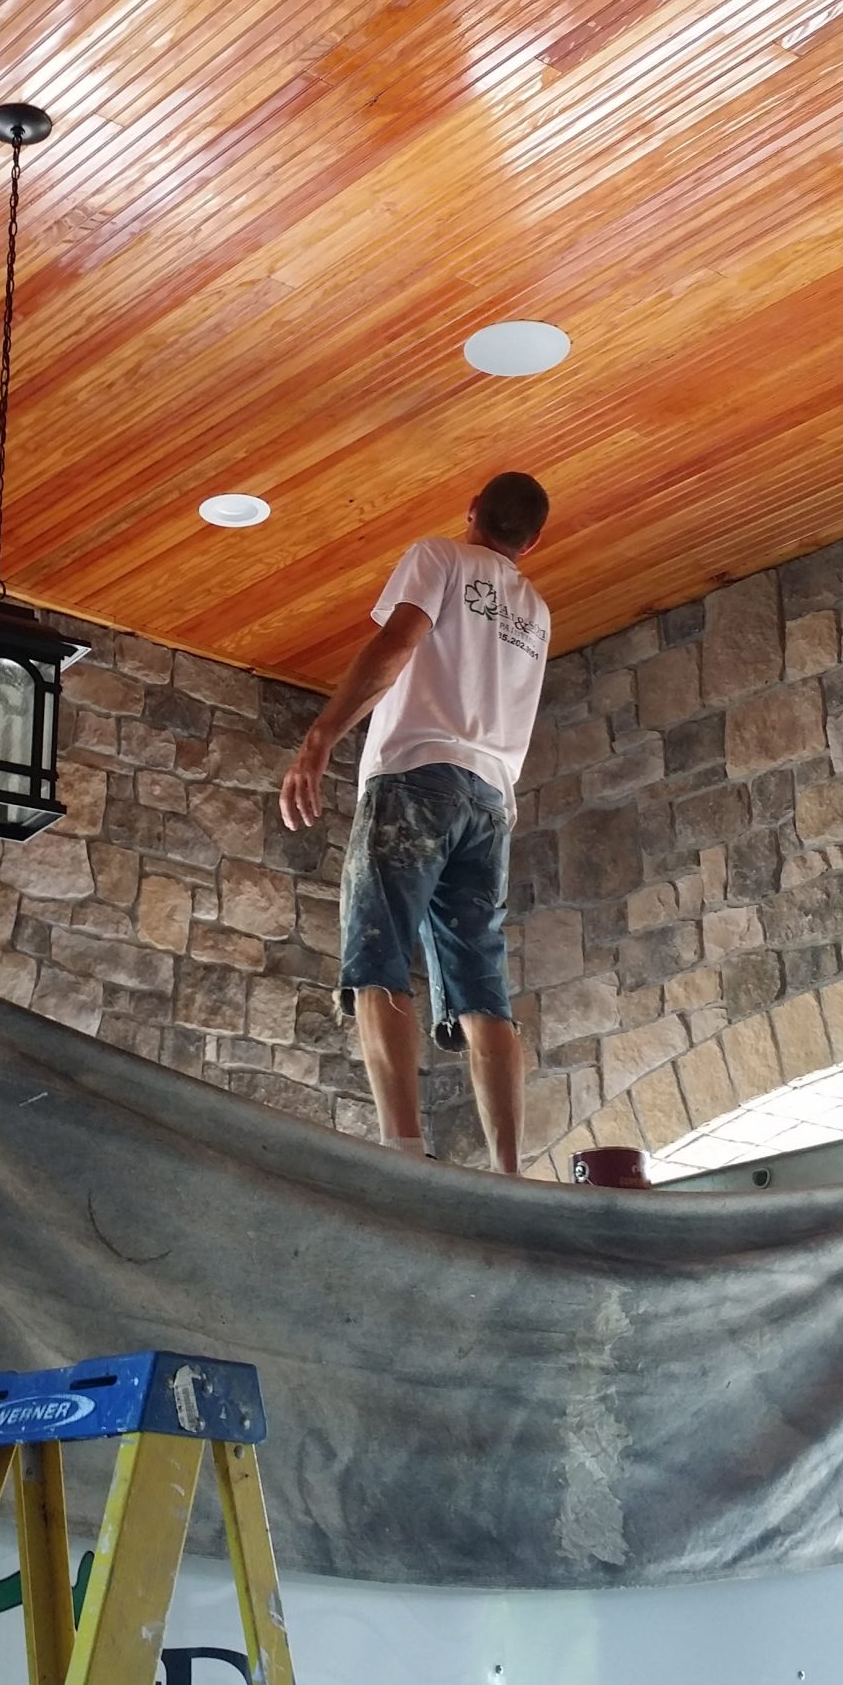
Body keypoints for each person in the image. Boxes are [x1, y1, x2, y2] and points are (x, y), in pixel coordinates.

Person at [279, 473, 551, 1174]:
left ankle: (401, 1150)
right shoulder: (536, 612)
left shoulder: (439, 557)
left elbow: (398, 644)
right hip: (491, 801)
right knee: (481, 985)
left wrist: (321, 736)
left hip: (416, 774)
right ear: (532, 541)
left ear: (472, 511)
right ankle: (509, 1170)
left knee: (379, 948)